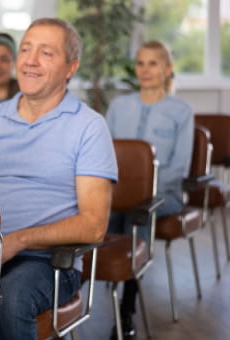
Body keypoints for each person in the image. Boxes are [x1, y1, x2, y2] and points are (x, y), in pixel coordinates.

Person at [0, 18, 118, 340]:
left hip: (46, 262)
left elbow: (94, 224)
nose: (30, 61)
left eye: (46, 53)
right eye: (26, 49)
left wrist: (17, 241)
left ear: (70, 67)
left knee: (11, 296)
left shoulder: (89, 127)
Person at [105, 40, 194, 340]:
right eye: (140, 63)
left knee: (136, 215)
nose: (144, 70)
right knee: (105, 217)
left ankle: (126, 308)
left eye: (153, 63)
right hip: (117, 193)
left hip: (163, 194)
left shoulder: (181, 111)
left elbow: (179, 166)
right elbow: (105, 155)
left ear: (167, 69)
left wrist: (141, 190)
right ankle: (73, 297)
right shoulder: (119, 106)